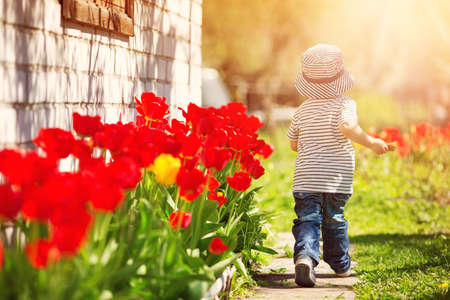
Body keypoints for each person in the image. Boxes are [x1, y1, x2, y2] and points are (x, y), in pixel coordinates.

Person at [287, 44, 389, 287]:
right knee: (334, 219)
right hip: (335, 178)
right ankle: (340, 263)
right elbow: (347, 127)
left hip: (306, 178)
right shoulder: (345, 104)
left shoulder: (302, 109)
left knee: (307, 219)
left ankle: (305, 257)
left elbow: (293, 143)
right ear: (340, 79)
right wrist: (371, 142)